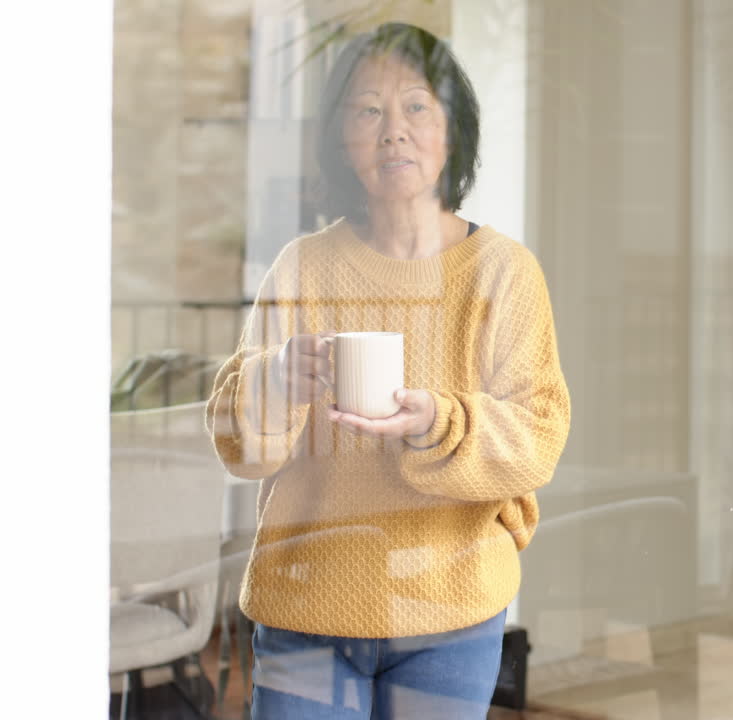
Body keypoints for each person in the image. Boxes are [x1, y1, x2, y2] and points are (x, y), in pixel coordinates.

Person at [206, 22, 571, 719]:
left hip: (452, 608)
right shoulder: (304, 266)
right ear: (341, 140)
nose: (392, 130)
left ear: (452, 130)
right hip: (307, 604)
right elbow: (238, 444)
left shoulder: (503, 273)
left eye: (417, 106)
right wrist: (280, 379)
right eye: (368, 109)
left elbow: (539, 432)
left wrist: (438, 422)